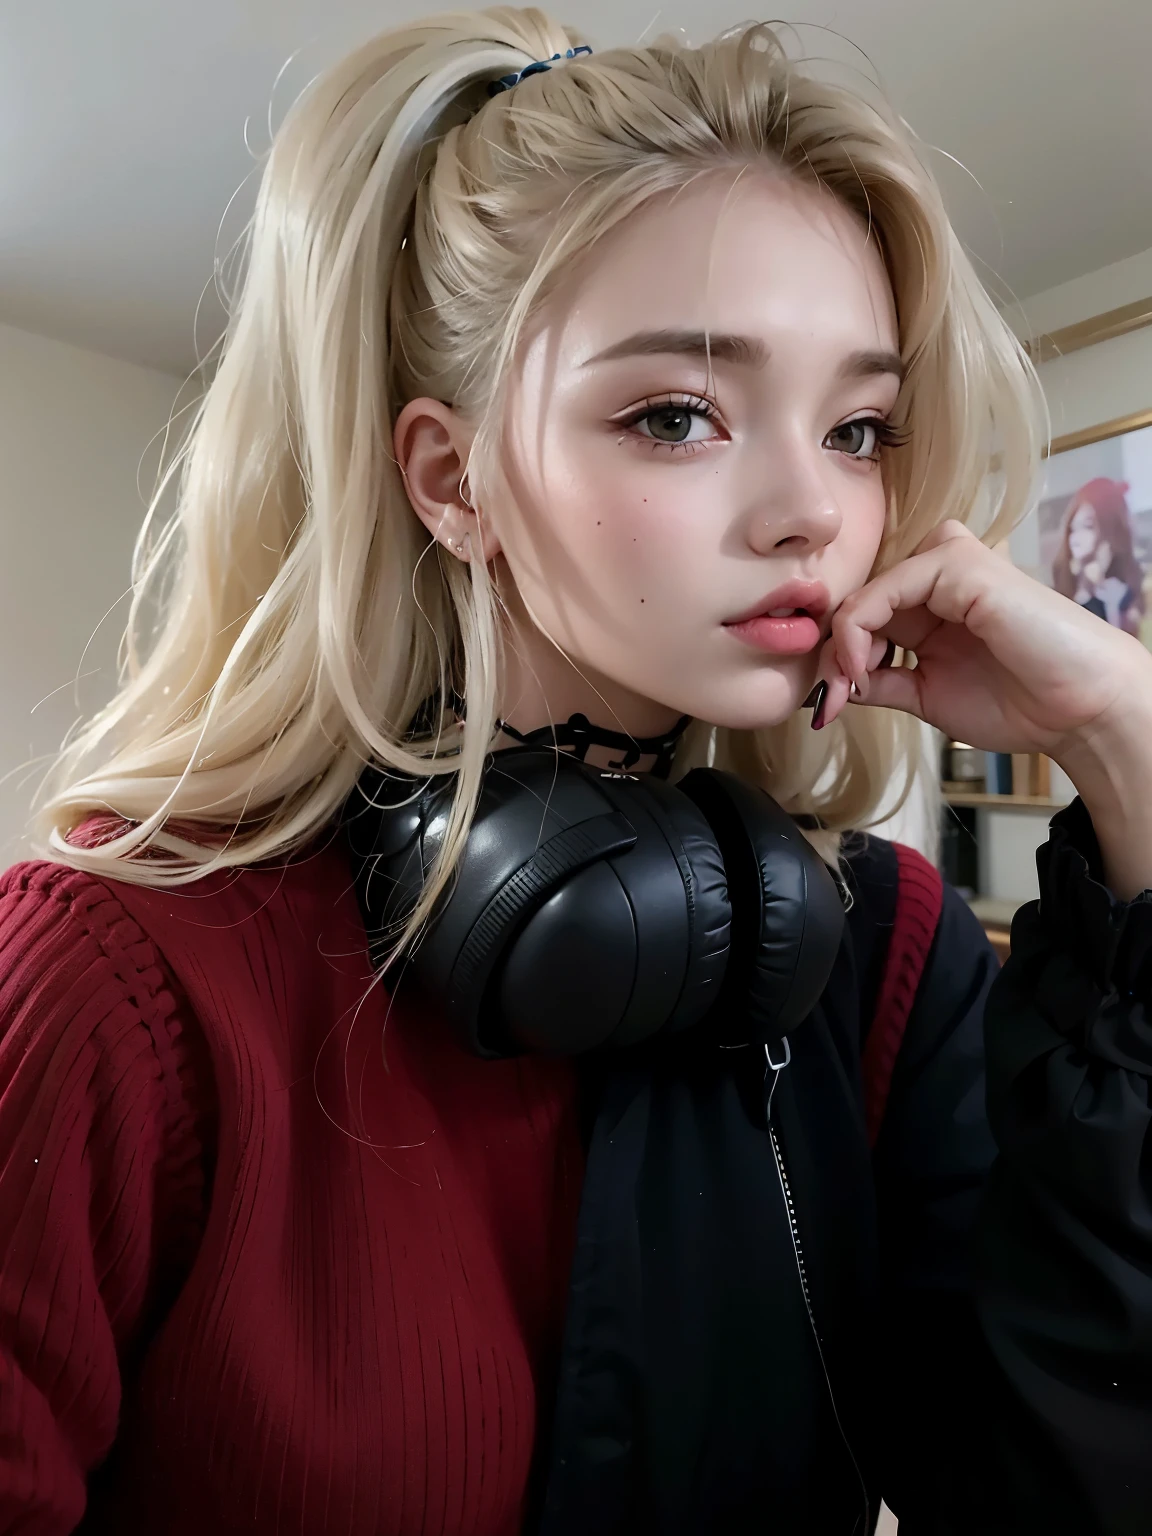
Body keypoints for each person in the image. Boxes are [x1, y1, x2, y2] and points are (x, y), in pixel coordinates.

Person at [1, 8, 1150, 1534]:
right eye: (679, 415)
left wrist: (1128, 748)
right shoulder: (120, 980)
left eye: (859, 426)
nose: (814, 508)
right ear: (450, 474)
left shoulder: (890, 953)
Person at [1050, 475, 1146, 636]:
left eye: (1087, 526)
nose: (1076, 539)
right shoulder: (1063, 595)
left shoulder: (1124, 596)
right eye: (1073, 528)